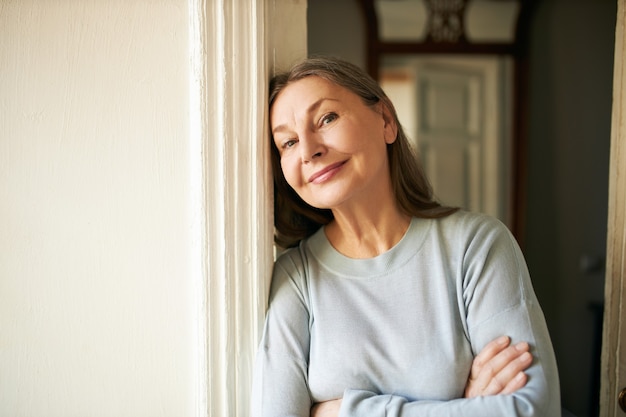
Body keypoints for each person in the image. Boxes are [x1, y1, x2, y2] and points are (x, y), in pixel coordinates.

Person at [251, 56, 560, 416]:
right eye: (287, 142)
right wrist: (463, 407)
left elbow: (532, 410)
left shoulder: (476, 246)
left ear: (385, 121)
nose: (308, 151)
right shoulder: (296, 276)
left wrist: (343, 412)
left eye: (327, 119)